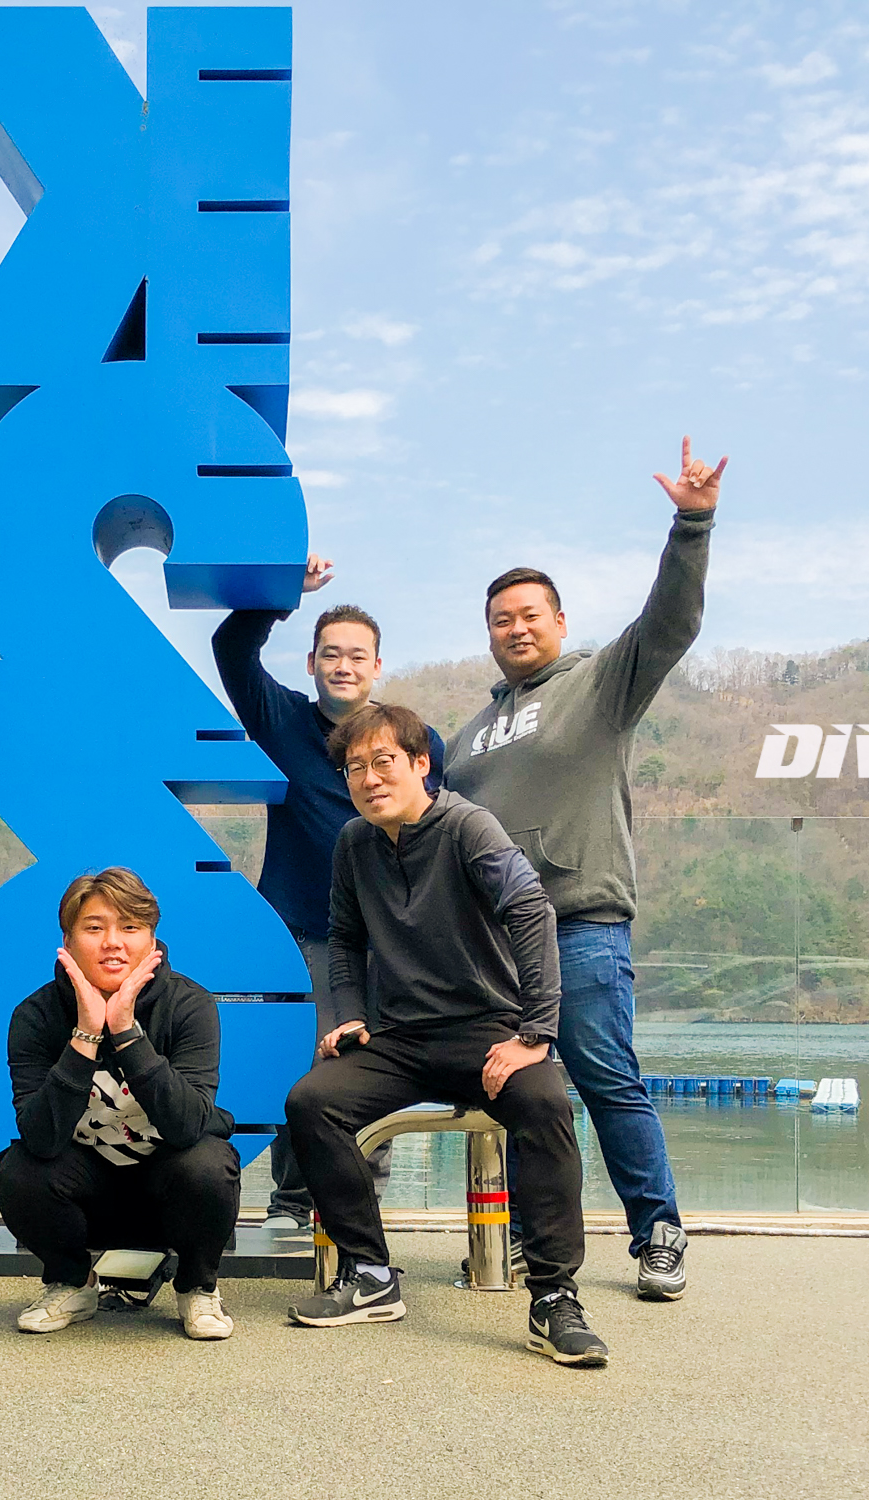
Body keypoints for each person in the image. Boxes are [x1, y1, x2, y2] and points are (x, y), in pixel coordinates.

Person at [444, 436, 726, 1302]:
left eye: (531, 614)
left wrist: (692, 524)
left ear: (559, 623)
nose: (517, 628)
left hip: (581, 926)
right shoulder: (465, 739)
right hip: (496, 947)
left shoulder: (600, 684)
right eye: (501, 619)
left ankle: (658, 1234)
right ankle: (530, 1242)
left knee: (607, 1081)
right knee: (522, 1094)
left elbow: (671, 624)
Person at [283, 703, 608, 1367]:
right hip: (400, 1038)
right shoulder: (354, 843)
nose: (370, 779)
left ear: (420, 763)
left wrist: (535, 1033)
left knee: (546, 1104)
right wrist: (349, 1013)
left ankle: (553, 1298)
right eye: (354, 769)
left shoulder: (467, 826)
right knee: (312, 1102)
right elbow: (344, 937)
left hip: (487, 1030)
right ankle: (371, 1275)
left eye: (384, 762)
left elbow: (531, 910)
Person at [211, 558, 445, 1230]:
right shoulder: (281, 717)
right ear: (312, 662)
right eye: (331, 654)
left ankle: (358, 1208)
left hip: (389, 936)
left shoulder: (412, 740)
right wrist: (284, 590)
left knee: (375, 1067)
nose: (344, 666)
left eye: (357, 656)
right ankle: (291, 1202)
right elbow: (231, 647)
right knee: (302, 1068)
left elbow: (435, 831)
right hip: (301, 932)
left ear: (377, 667)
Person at [0, 868, 243, 1342]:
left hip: (168, 1185)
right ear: (67, 942)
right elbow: (40, 1138)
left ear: (151, 940)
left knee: (209, 1165)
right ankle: (72, 1282)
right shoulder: (36, 1016)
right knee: (19, 1171)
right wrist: (86, 1034)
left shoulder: (189, 1005)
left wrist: (127, 1033)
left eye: (130, 927)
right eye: (94, 928)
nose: (113, 943)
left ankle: (197, 1287)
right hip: (87, 1192)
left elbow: (188, 1125)